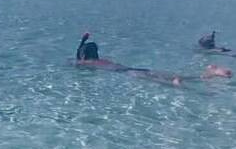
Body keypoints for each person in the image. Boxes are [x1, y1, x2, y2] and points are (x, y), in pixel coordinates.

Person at [76, 33, 232, 86]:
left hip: (127, 73)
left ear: (83, 55)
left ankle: (202, 76)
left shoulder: (86, 63)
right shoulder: (102, 60)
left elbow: (78, 60)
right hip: (131, 68)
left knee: (161, 81)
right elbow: (81, 53)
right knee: (160, 74)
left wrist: (82, 43)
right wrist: (84, 40)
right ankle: (209, 74)